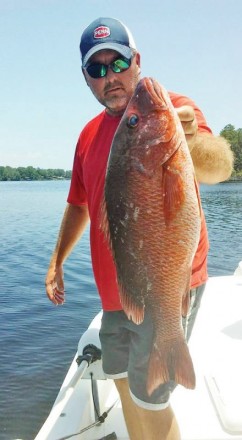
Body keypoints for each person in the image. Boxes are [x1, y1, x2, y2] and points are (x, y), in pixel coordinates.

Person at [45, 17, 234, 440]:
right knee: (121, 381)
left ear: (137, 61)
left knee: (153, 399)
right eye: (97, 69)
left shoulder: (171, 109)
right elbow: (78, 205)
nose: (110, 76)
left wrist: (190, 138)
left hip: (167, 283)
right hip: (115, 293)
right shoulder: (87, 137)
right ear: (86, 78)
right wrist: (57, 261)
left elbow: (218, 165)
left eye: (118, 62)